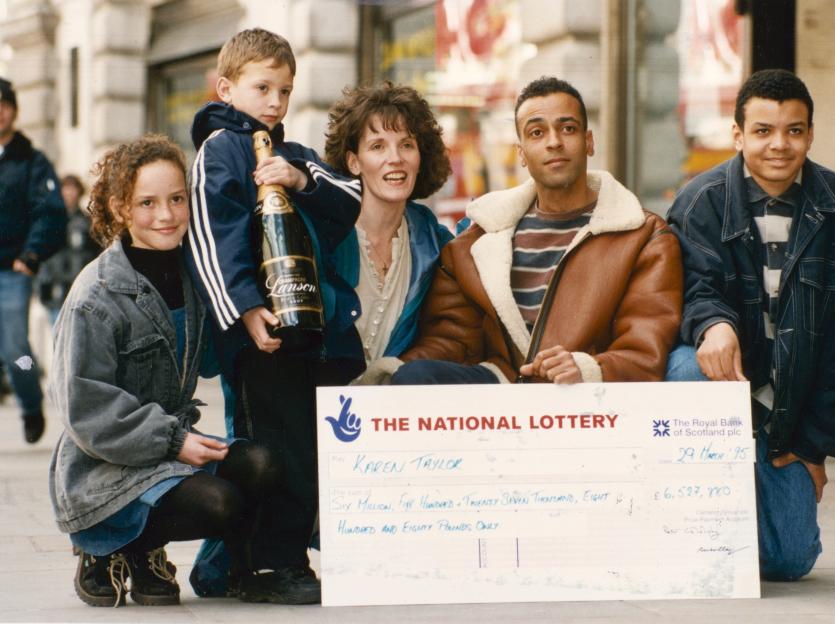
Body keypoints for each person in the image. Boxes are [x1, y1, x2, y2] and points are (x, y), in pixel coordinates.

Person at [665, 69, 835, 581]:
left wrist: (814, 447)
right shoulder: (700, 201)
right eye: (763, 131)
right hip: (727, 383)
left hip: (789, 409)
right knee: (686, 369)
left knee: (789, 561)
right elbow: (688, 288)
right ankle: (693, 521)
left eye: (794, 130)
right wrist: (712, 325)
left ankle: (754, 505)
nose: (779, 145)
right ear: (737, 135)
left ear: (810, 133)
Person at [48, 134, 281, 608]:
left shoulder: (195, 276)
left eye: (177, 199)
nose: (167, 215)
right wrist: (175, 442)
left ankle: (225, 570)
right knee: (221, 502)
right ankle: (109, 543)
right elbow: (85, 410)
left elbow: (215, 358)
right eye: (147, 203)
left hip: (168, 455)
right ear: (119, 208)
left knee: (261, 464)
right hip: (104, 467)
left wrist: (255, 314)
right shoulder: (95, 296)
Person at [184, 28, 362, 604]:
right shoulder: (220, 150)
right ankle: (268, 567)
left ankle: (240, 567)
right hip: (260, 336)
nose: (275, 103)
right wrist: (245, 311)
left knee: (308, 450)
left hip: (310, 330)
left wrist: (301, 178)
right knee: (274, 450)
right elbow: (215, 239)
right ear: (227, 87)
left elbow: (349, 199)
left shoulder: (293, 154)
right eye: (262, 88)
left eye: (285, 91)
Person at [362, 76, 682, 386]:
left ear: (589, 142)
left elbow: (645, 348)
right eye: (537, 132)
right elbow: (453, 339)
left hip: (587, 397)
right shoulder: (476, 243)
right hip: (502, 387)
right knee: (412, 379)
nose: (554, 142)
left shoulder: (644, 236)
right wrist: (396, 373)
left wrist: (586, 367)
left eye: (567, 128)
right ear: (522, 154)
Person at [324, 81, 453, 365]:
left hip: (396, 406)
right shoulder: (324, 237)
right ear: (354, 162)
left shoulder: (438, 245)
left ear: (421, 158)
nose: (395, 159)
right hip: (322, 406)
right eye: (378, 146)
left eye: (406, 145)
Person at [0, 76, 66, 443]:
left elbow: (50, 212)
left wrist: (31, 255)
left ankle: (29, 401)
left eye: (4, 105)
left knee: (15, 349)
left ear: (14, 111)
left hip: (12, 269)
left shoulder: (31, 161)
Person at [36, 174, 101, 325]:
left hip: (81, 291)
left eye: (73, 188)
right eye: (65, 188)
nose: (69, 193)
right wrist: (41, 285)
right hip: (55, 292)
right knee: (58, 339)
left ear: (79, 192)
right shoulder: (48, 222)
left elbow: (97, 254)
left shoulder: (87, 222)